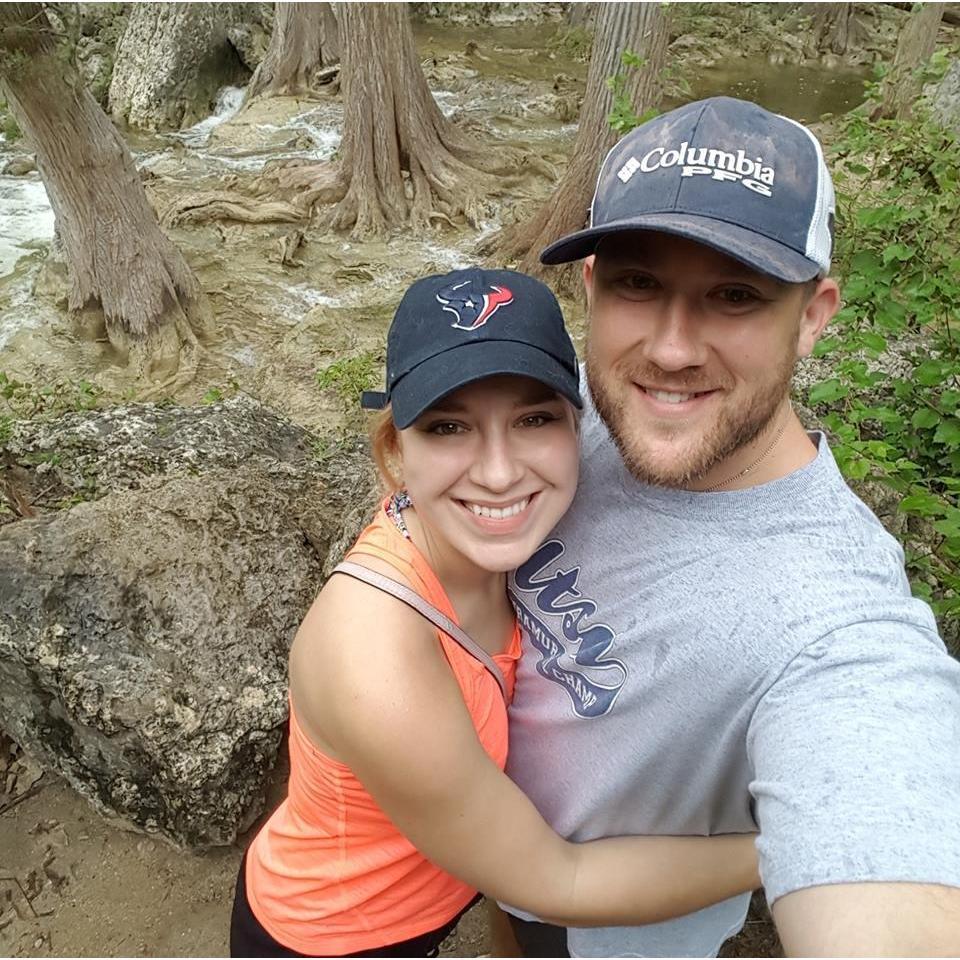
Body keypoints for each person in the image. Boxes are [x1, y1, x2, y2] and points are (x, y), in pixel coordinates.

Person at [498, 96, 960, 958]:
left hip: (614, 933)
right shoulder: (560, 423)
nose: (672, 349)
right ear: (592, 287)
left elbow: (885, 849)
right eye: (640, 282)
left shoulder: (841, 629)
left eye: (735, 295)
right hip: (483, 855)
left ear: (814, 315)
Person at [229, 267, 761, 958]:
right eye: (450, 427)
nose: (501, 471)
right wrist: (784, 847)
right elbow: (556, 880)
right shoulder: (375, 658)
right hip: (337, 933)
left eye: (534, 418)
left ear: (581, 430)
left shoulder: (481, 542)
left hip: (444, 890)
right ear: (397, 455)